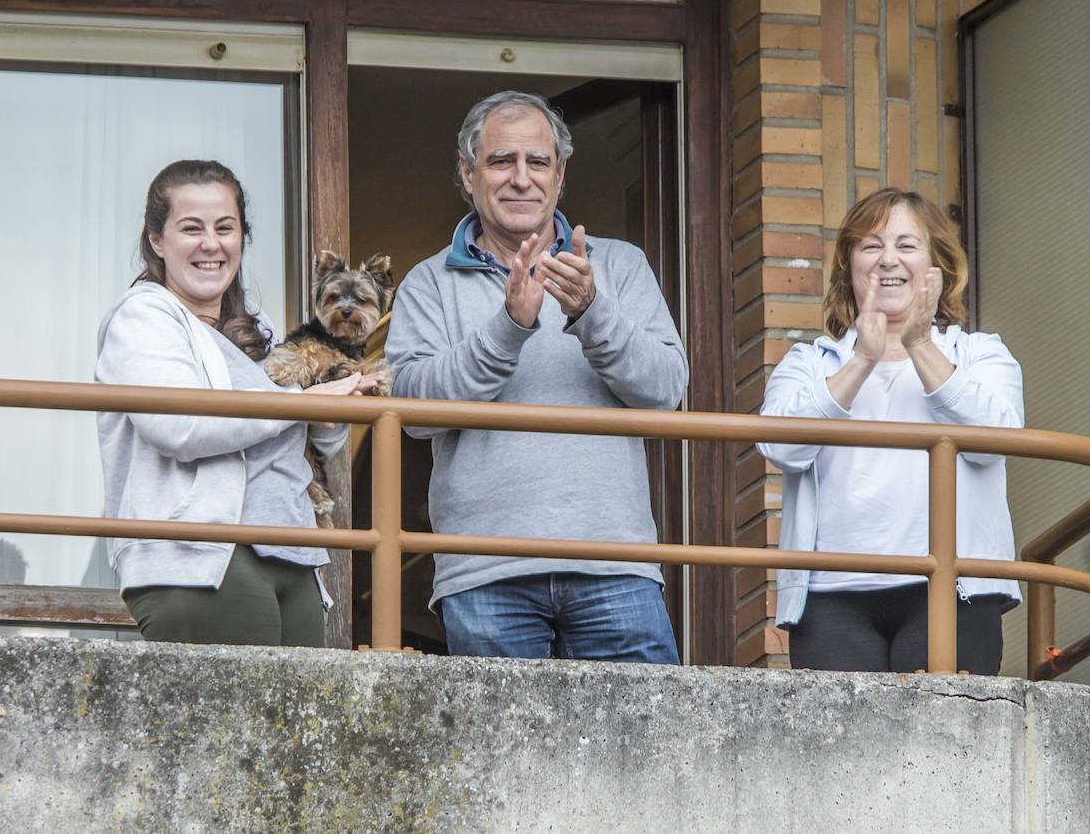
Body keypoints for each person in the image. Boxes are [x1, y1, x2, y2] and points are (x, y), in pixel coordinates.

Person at [384, 91, 688, 663]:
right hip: (485, 569)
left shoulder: (618, 265)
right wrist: (507, 329)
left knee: (641, 750)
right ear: (467, 173)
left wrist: (592, 313)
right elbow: (411, 414)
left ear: (561, 174)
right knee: (497, 754)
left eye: (538, 162)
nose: (521, 178)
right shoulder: (427, 283)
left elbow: (666, 390)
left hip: (613, 563)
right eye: (501, 161)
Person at [96, 159, 381, 645]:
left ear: (242, 239)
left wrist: (330, 418)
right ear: (157, 241)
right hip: (200, 559)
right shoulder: (143, 316)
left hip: (293, 553)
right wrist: (301, 403)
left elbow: (294, 439)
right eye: (191, 228)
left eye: (225, 228)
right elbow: (178, 428)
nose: (211, 243)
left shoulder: (260, 327)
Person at [757, 188, 1024, 674]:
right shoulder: (810, 362)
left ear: (936, 266)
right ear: (850, 268)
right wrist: (862, 359)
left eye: (906, 245)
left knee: (949, 747)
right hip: (831, 595)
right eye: (870, 246)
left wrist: (919, 344)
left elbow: (997, 441)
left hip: (953, 589)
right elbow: (780, 446)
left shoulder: (982, 354)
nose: (888, 260)